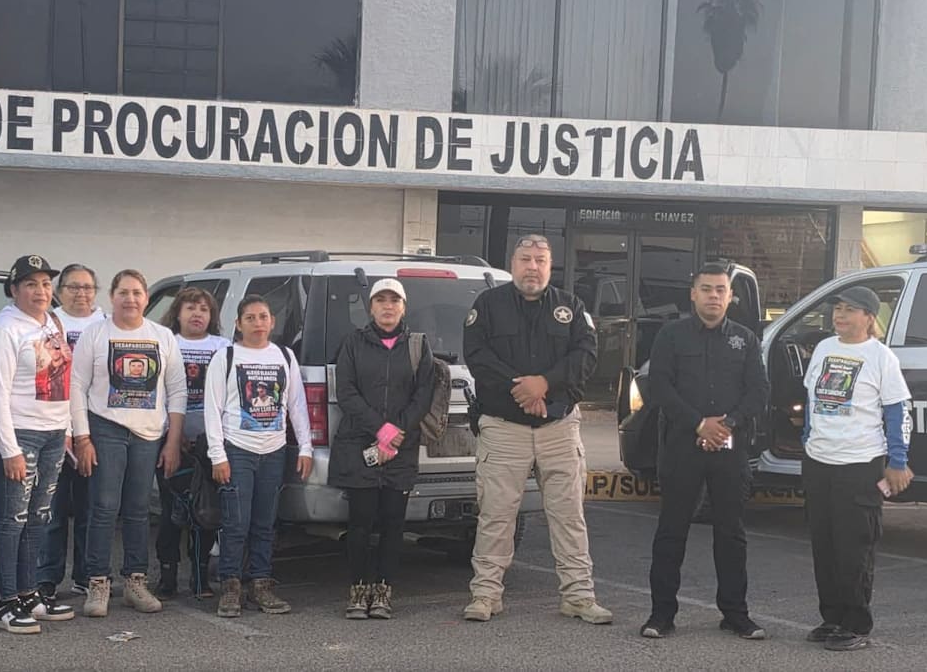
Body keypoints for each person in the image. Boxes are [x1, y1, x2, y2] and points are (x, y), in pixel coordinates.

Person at [461, 234, 611, 625]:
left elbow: (586, 357)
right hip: (504, 426)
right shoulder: (488, 306)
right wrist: (522, 389)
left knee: (569, 515)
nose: (533, 266)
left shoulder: (571, 307)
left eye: (540, 260)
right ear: (513, 264)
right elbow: (478, 357)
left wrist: (544, 384)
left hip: (559, 426)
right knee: (496, 515)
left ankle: (578, 596)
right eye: (526, 259)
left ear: (550, 265)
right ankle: (486, 594)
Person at [642, 263, 769, 640]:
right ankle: (661, 614)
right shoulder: (671, 335)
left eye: (720, 290)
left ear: (730, 297)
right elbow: (660, 387)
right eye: (707, 289)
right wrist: (699, 424)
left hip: (730, 448)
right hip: (683, 446)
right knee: (671, 532)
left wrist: (726, 424)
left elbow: (758, 392)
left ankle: (735, 614)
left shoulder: (745, 339)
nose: (714, 295)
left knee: (731, 534)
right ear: (692, 293)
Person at [801, 286, 912, 652]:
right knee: (825, 544)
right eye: (837, 309)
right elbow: (812, 398)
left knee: (854, 548)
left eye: (849, 310)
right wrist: (808, 438)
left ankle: (855, 623)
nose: (840, 316)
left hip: (860, 464)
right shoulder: (824, 348)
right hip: (820, 462)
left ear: (868, 317)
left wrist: (897, 460)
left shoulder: (881, 358)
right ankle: (830, 617)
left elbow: (897, 410)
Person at [71, 269, 187, 617]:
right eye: (123, 292)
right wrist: (82, 437)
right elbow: (76, 387)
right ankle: (97, 582)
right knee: (103, 508)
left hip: (148, 434)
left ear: (146, 298)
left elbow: (177, 391)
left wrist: (173, 442)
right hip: (104, 428)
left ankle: (136, 581)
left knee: (138, 511)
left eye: (137, 292)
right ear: (112, 297)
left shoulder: (163, 336)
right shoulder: (95, 334)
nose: (130, 298)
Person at [328, 278, 434, 620]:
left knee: (392, 523)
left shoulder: (419, 346)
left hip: (401, 448)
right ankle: (359, 590)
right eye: (381, 300)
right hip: (361, 443)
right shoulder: (353, 344)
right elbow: (346, 392)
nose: (388, 307)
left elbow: (423, 396)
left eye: (394, 301)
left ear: (404, 307)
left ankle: (384, 590)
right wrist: (381, 429)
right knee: (360, 523)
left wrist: (397, 431)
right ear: (370, 307)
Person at [0, 254, 76, 634]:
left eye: (46, 284)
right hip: (18, 434)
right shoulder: (4, 330)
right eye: (31, 284)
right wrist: (9, 450)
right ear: (14, 289)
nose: (41, 291)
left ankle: (29, 593)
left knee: (38, 519)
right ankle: (6, 603)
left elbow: (63, 378)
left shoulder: (53, 321)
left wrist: (67, 427)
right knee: (11, 520)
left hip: (53, 433)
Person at [205, 295, 314, 618]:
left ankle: (262, 584)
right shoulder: (225, 357)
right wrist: (217, 455)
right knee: (235, 523)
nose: (257, 323)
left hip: (274, 450)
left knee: (265, 523)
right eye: (250, 318)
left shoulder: (284, 356)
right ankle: (230, 586)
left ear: (272, 322)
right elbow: (213, 409)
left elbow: (297, 405)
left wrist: (305, 447)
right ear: (238, 324)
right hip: (237, 450)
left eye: (263, 316)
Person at [156, 287, 231, 599]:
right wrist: (173, 436)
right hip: (170, 442)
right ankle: (167, 576)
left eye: (204, 309)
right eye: (190, 308)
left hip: (209, 445)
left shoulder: (224, 347)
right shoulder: (165, 342)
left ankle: (200, 578)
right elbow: (157, 393)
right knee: (172, 512)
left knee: (205, 513)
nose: (197, 314)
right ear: (178, 313)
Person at [37, 264, 105, 601]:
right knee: (54, 508)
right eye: (73, 287)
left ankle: (86, 574)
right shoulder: (48, 323)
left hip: (95, 428)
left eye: (88, 287)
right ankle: (47, 577)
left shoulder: (107, 324)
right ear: (60, 290)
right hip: (54, 426)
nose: (81, 293)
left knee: (90, 508)